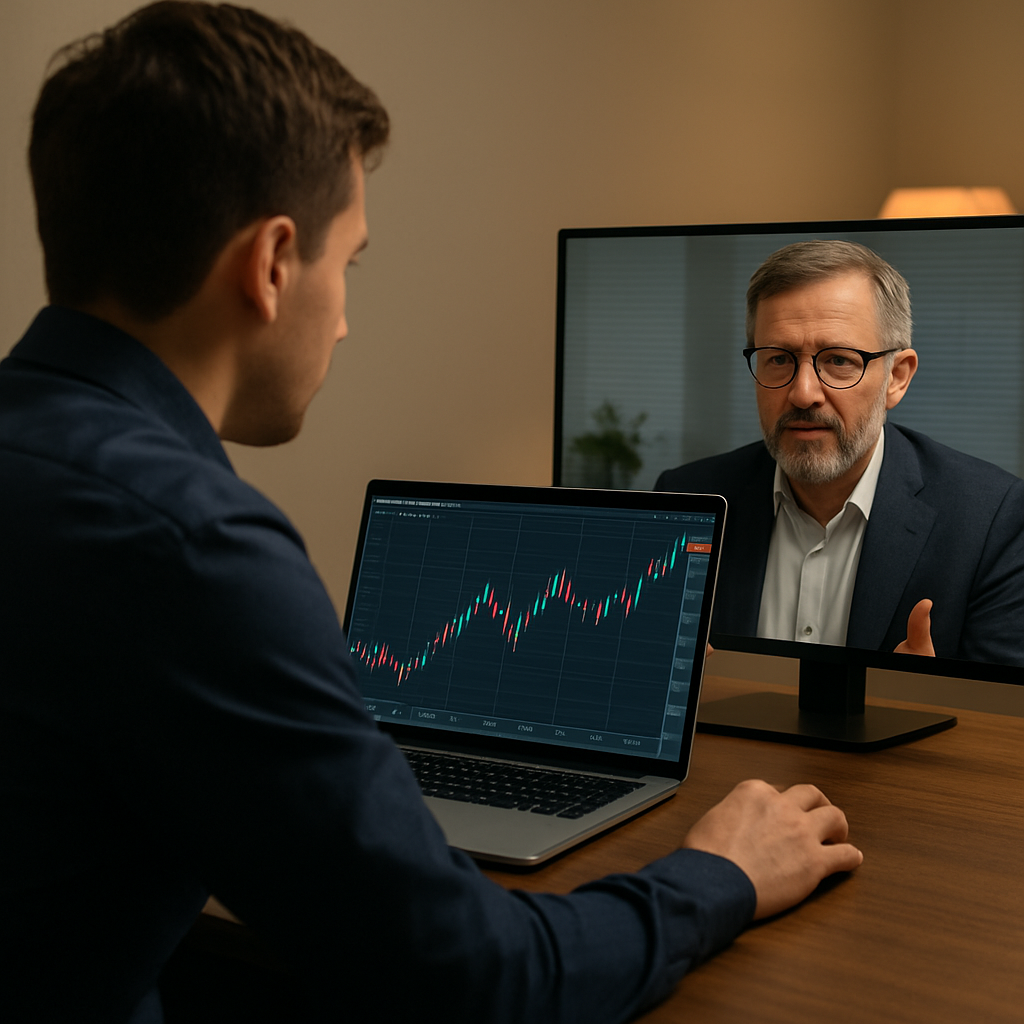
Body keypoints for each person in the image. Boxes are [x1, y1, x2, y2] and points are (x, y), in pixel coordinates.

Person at [0, 4, 862, 1022]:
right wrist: (718, 874)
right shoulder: (192, 546)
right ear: (272, 264)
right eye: (349, 263)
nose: (344, 319)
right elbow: (474, 979)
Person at [656, 240, 1024, 666]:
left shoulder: (991, 520)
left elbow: (1009, 705)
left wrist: (923, 696)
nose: (803, 393)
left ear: (896, 378)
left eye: (839, 360)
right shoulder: (686, 498)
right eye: (778, 359)